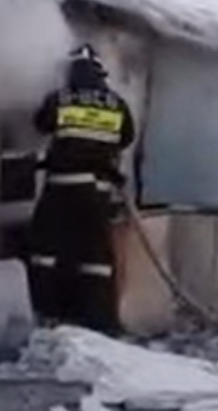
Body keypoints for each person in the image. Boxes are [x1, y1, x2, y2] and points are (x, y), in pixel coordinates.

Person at [27, 44, 137, 332]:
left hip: (61, 186)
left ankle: (45, 312)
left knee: (46, 251)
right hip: (98, 191)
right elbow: (126, 137)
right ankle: (97, 319)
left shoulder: (61, 98)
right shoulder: (117, 104)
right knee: (96, 257)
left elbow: (40, 124)